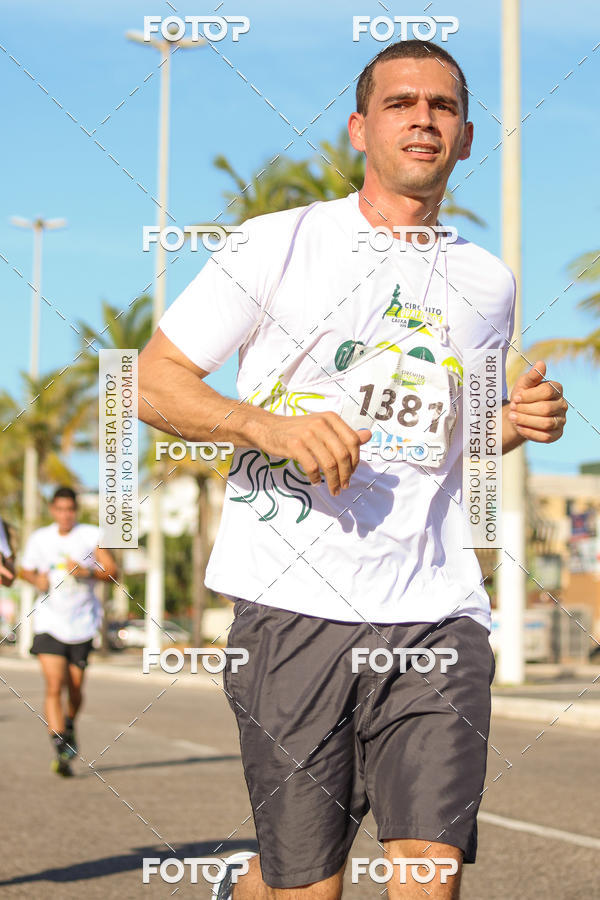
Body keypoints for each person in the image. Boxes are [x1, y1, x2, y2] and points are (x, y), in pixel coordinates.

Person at [138, 40, 567, 900]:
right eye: (402, 102)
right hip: (296, 608)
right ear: (359, 128)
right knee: (308, 884)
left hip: (434, 611)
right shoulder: (277, 244)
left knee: (427, 875)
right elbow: (148, 384)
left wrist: (509, 427)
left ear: (468, 136)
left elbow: (454, 440)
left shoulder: (488, 282)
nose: (423, 118)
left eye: (442, 107)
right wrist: (271, 427)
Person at [20, 486, 117, 776]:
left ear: (76, 511)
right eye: (59, 509)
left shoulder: (90, 535)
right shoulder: (40, 538)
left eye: (70, 510)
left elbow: (112, 571)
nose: (65, 515)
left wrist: (86, 572)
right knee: (54, 684)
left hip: (82, 624)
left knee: (75, 690)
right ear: (53, 510)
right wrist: (35, 579)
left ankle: (69, 725)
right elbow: (26, 570)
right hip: (49, 623)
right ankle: (60, 744)